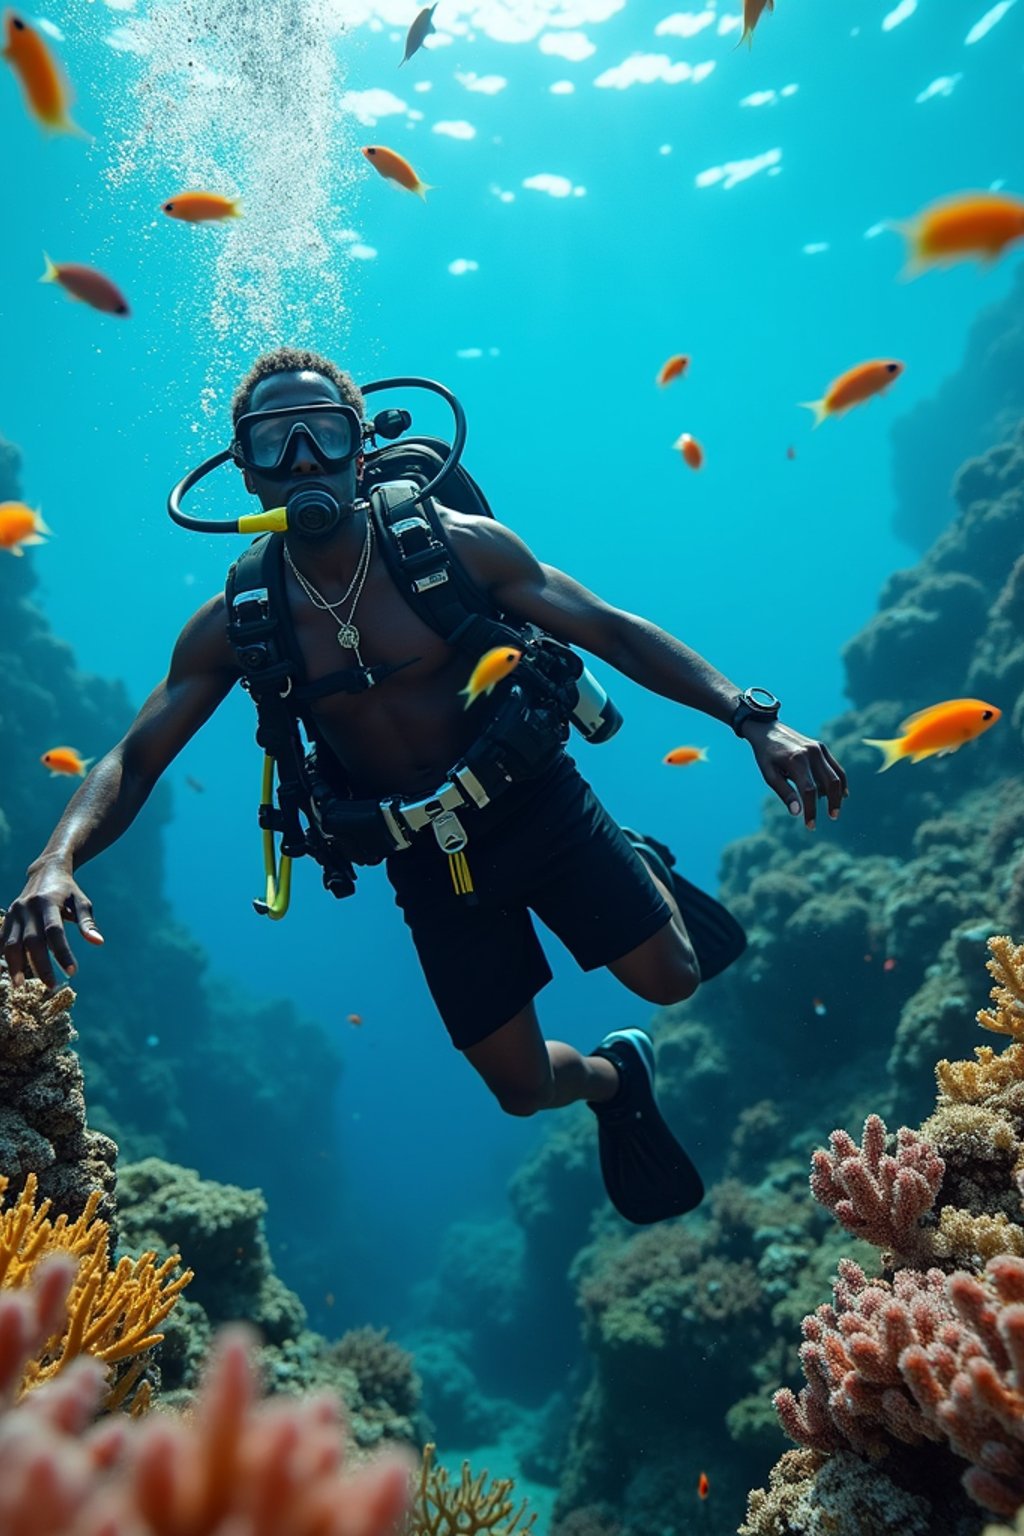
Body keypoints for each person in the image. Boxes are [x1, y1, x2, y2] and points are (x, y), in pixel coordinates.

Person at [0, 348, 849, 1225]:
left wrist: (752, 716)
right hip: (427, 858)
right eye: (274, 442)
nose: (301, 462)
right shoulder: (236, 621)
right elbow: (135, 757)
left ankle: (636, 866)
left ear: (359, 447)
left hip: (538, 802)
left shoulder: (455, 546)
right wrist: (54, 860)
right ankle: (613, 1077)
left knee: (674, 979)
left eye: (322, 433)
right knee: (521, 1090)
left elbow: (610, 630)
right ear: (244, 468)